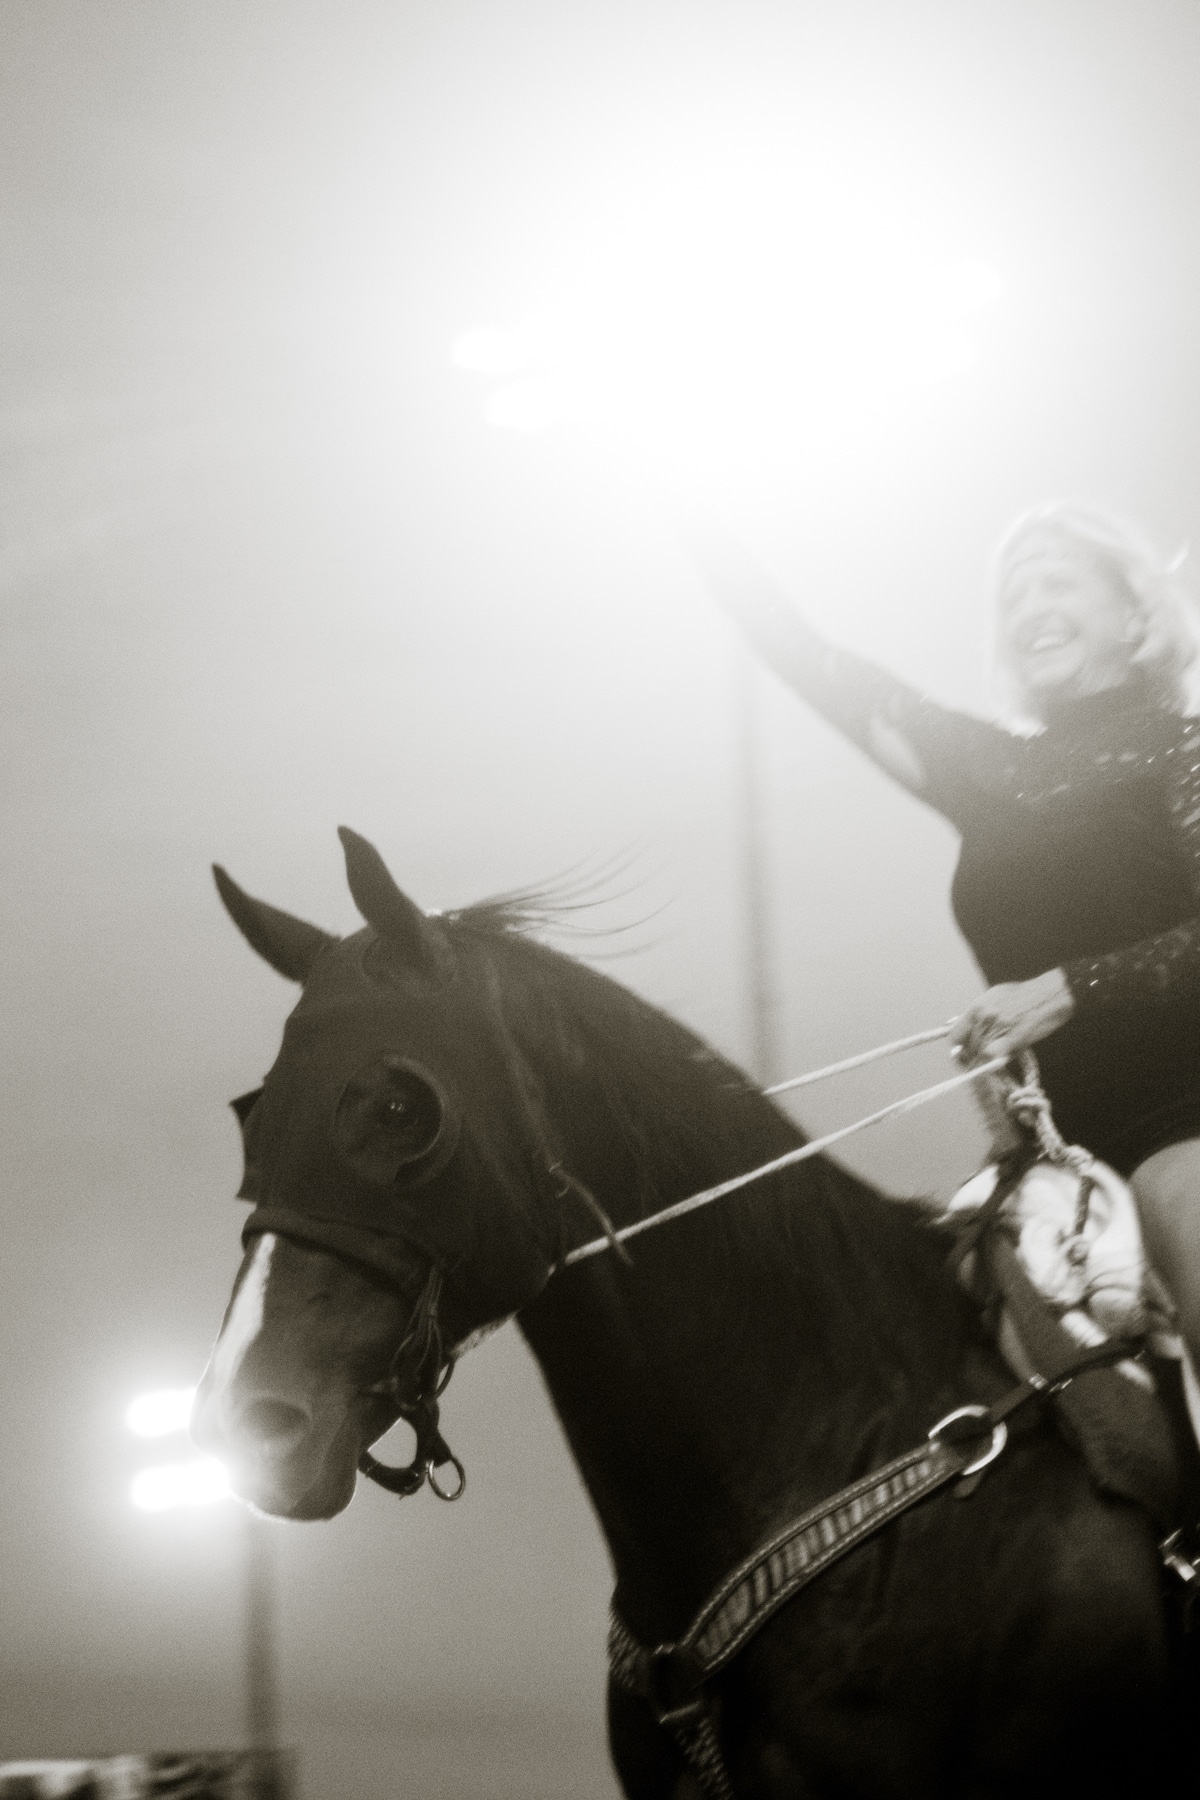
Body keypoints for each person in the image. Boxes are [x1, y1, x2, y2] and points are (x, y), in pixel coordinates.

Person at [694, 500, 1200, 1361]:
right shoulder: (987, 770)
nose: (1031, 605)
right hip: (1051, 1168)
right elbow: (810, 658)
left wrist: (1070, 988)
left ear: (1134, 614)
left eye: (1057, 582)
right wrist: (680, 501)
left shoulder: (1185, 752)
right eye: (1014, 594)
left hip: (1182, 1129)